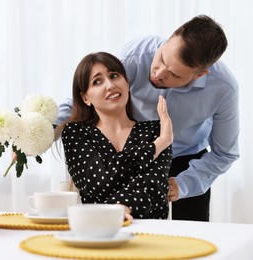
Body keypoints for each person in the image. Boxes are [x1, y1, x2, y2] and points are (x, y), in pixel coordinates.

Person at [56, 15, 239, 221]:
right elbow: (89, 94)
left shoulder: (224, 89)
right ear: (169, 39)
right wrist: (46, 130)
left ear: (199, 75)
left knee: (191, 239)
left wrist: (184, 184)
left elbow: (225, 154)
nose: (158, 74)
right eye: (161, 59)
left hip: (188, 160)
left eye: (175, 75)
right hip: (134, 150)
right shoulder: (137, 56)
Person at [56, 52, 173, 220]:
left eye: (114, 75)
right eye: (97, 81)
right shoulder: (76, 133)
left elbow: (154, 186)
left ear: (127, 83)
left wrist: (123, 207)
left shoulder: (155, 130)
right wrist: (158, 145)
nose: (110, 85)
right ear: (85, 98)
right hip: (98, 230)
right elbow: (100, 182)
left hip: (151, 232)